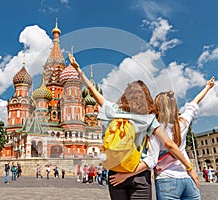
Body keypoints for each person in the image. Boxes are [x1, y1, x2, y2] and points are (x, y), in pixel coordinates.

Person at [69, 54, 198, 200]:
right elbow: (169, 144)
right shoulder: (149, 119)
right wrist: (189, 168)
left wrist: (80, 71)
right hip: (139, 174)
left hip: (115, 172)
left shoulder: (116, 111)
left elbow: (95, 93)